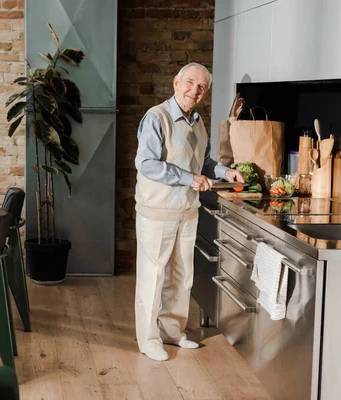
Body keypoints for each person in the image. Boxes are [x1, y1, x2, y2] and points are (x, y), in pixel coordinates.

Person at [134, 62, 244, 361]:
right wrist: (188, 179)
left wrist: (225, 172)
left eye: (201, 87)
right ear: (176, 82)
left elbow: (203, 163)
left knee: (181, 277)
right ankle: (148, 339)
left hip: (187, 211)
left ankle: (172, 331)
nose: (194, 91)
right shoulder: (157, 117)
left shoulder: (198, 121)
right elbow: (146, 163)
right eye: (190, 83)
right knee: (153, 276)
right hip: (156, 211)